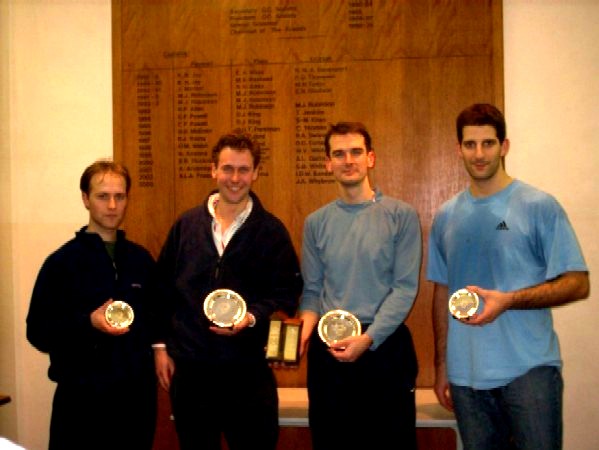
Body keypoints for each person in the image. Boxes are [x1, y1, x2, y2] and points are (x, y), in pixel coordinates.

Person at [427, 103, 590, 450]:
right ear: (458, 149)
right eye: (470, 144)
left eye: (488, 143)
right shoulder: (445, 216)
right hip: (466, 377)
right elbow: (442, 291)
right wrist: (442, 365)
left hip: (529, 373)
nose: (479, 153)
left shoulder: (539, 205)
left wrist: (509, 301)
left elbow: (578, 282)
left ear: (505, 146)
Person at [154, 131, 302, 450]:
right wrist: (160, 347)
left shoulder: (272, 231)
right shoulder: (186, 226)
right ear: (214, 170)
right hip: (192, 372)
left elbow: (288, 293)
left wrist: (252, 317)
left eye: (243, 169)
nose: (235, 179)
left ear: (256, 173)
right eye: (228, 168)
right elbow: (162, 290)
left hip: (248, 374)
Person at [299, 122, 422, 450]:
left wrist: (367, 339)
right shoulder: (315, 223)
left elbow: (405, 288)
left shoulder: (402, 216)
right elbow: (311, 292)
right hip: (330, 352)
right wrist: (303, 331)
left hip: (383, 348)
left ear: (371, 158)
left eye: (355, 152)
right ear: (328, 163)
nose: (348, 160)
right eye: (338, 154)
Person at [26, 160, 159, 450]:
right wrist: (87, 323)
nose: (112, 205)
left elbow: (158, 321)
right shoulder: (61, 264)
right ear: (85, 199)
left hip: (135, 403)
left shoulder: (142, 260)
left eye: (119, 196)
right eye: (102, 196)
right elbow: (37, 331)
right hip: (81, 403)